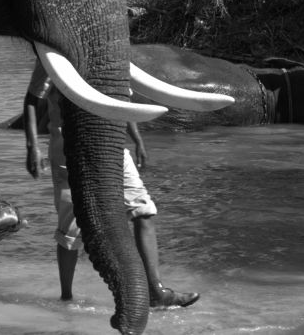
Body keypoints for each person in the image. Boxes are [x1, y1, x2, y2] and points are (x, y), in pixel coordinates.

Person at [23, 60, 200, 308]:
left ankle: (155, 291)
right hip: (69, 151)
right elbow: (32, 100)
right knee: (71, 229)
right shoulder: (53, 57)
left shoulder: (108, 55)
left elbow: (121, 102)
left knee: (143, 210)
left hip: (113, 146)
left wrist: (137, 140)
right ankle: (66, 299)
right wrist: (32, 146)